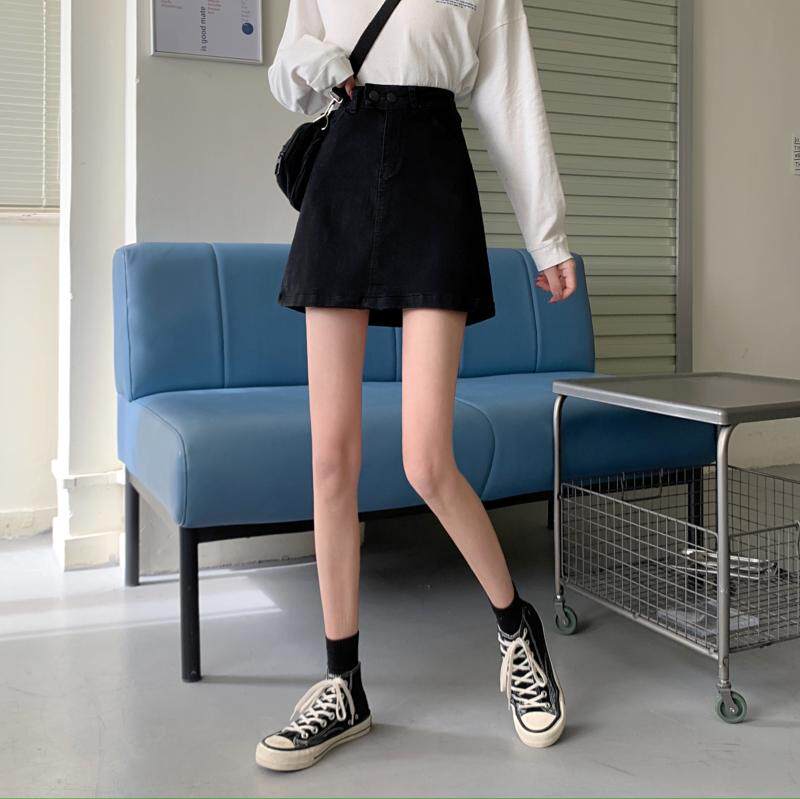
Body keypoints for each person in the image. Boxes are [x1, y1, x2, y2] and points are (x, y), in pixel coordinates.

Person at [257, 0, 577, 772]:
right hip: (342, 182)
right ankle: (343, 683)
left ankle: (517, 628)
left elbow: (511, 98)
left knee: (426, 460)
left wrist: (548, 236)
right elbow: (286, 70)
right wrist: (320, 64)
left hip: (434, 185)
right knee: (330, 459)